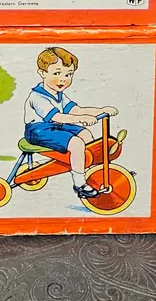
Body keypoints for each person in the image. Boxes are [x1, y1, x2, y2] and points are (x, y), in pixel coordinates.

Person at [24, 46, 117, 199]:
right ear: (42, 73)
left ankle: (93, 170)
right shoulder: (37, 97)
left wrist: (100, 110)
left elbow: (76, 110)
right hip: (38, 131)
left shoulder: (59, 95)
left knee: (85, 134)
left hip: (56, 127)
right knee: (76, 144)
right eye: (57, 73)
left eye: (68, 74)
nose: (63, 79)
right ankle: (79, 184)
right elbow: (57, 117)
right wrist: (81, 119)